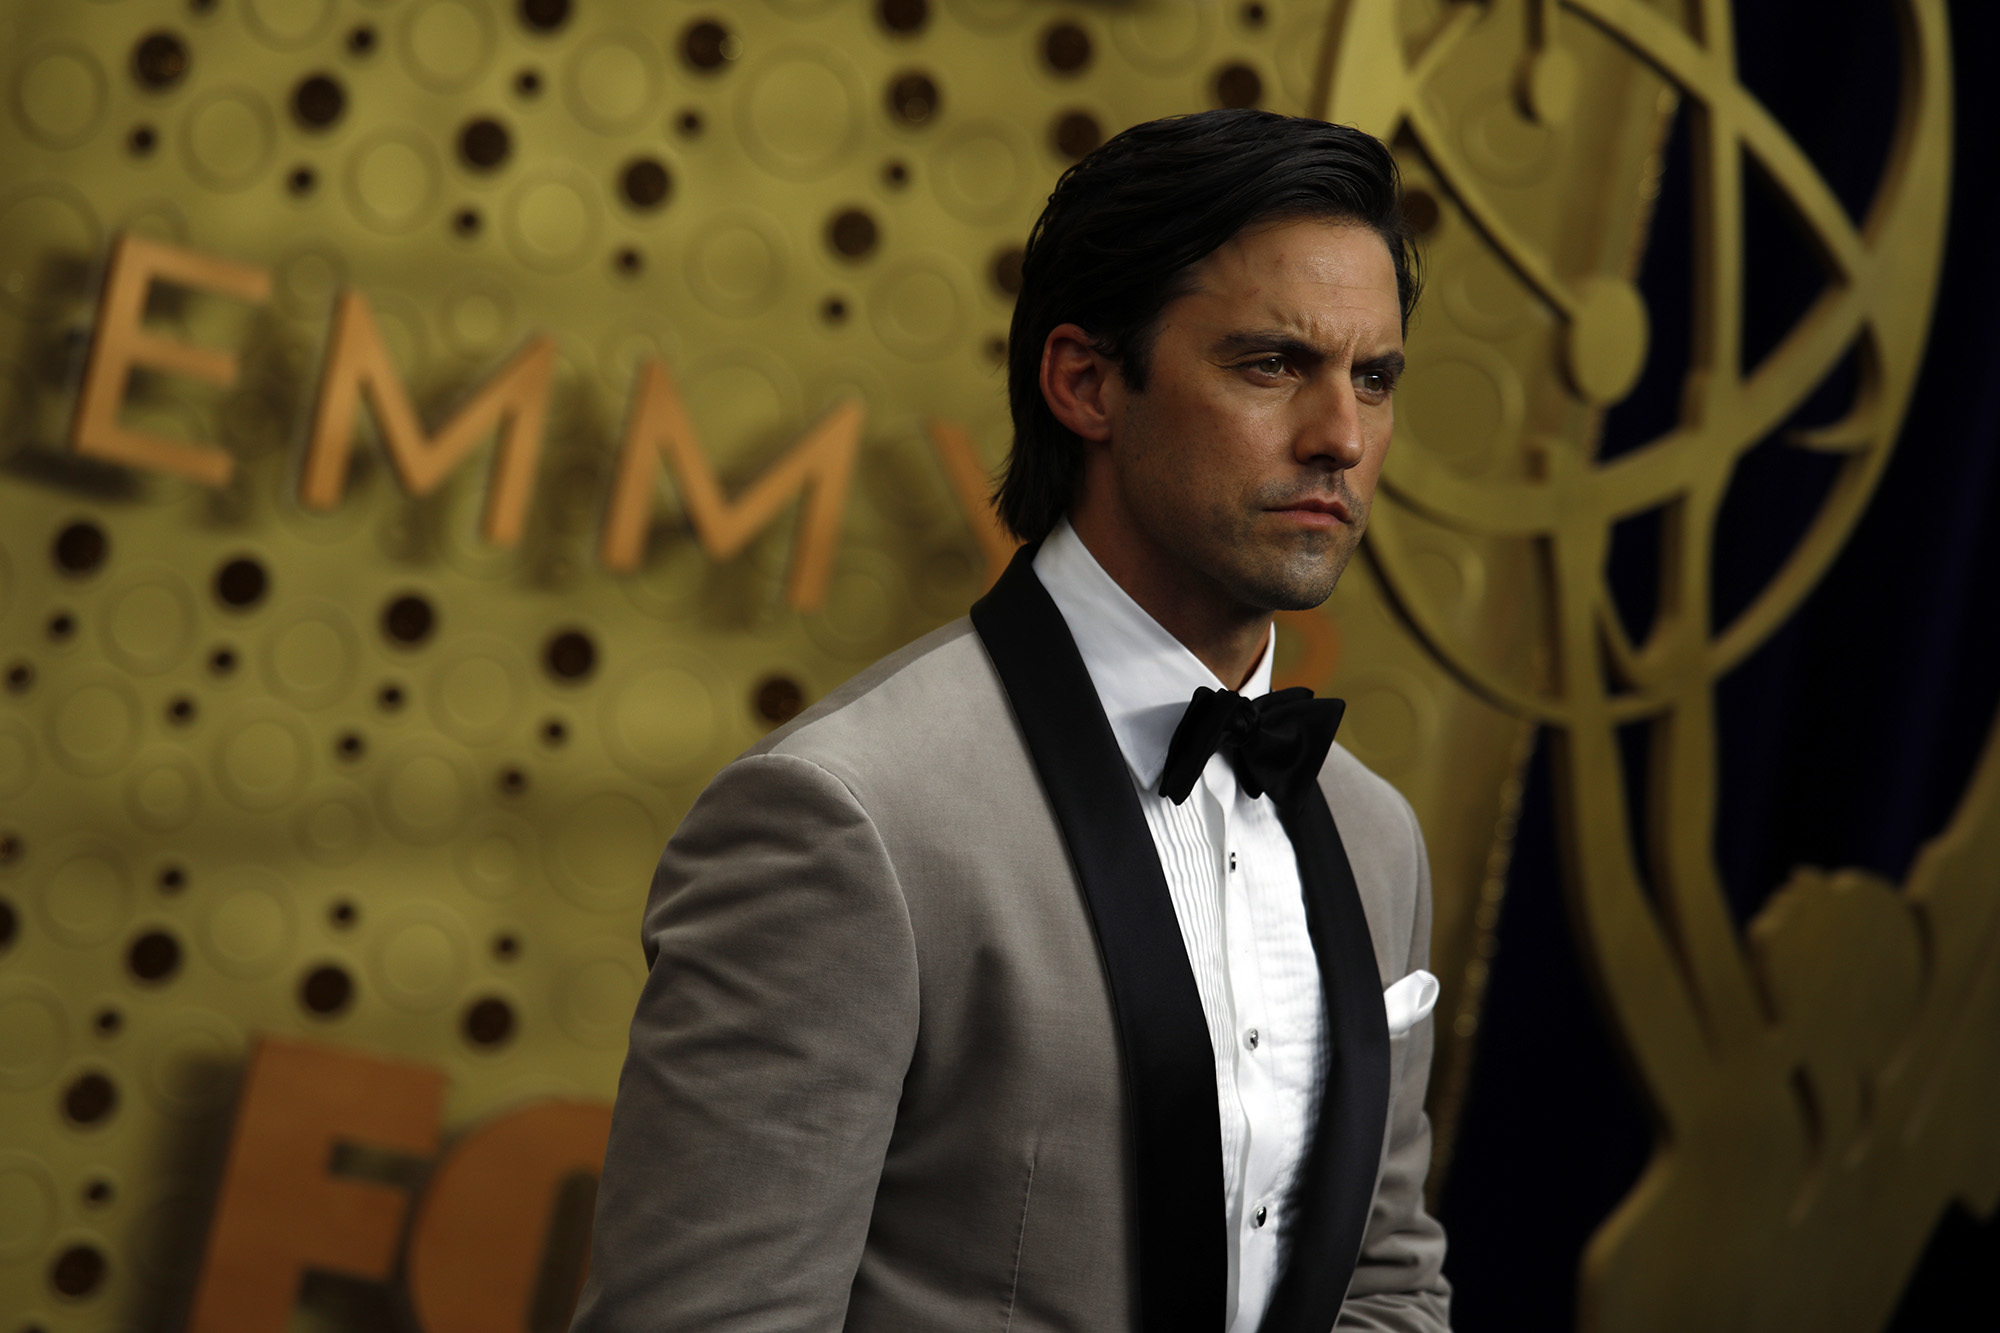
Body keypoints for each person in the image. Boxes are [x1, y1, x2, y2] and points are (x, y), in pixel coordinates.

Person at [572, 108, 1450, 1333]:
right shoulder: (848, 816)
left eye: (1373, 378)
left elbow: (1385, 1278)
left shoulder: (1374, 834)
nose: (1339, 438)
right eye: (1269, 364)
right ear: (1084, 381)